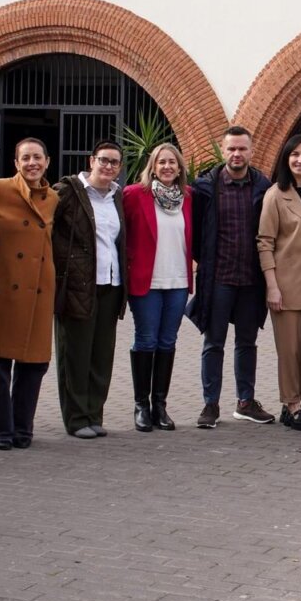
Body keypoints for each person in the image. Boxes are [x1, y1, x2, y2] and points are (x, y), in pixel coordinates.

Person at [186, 126, 274, 427]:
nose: (237, 154)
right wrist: (206, 262)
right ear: (223, 151)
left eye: (242, 149)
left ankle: (245, 401)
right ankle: (210, 404)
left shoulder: (263, 187)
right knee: (214, 343)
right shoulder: (204, 188)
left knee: (247, 343)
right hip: (218, 279)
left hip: (251, 280)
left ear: (251, 151)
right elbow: (196, 235)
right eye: (232, 149)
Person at [0, 137, 58, 450]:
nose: (32, 163)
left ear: (47, 162)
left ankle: (22, 427)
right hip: (5, 288)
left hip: (39, 291)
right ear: (16, 163)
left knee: (34, 364)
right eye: (25, 158)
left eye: (37, 157)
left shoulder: (53, 198)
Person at [53, 141, 128, 439]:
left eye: (114, 162)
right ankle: (76, 418)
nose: (108, 166)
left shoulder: (118, 197)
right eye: (103, 160)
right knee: (75, 353)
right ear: (91, 160)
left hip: (111, 284)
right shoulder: (68, 191)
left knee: (101, 354)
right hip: (78, 285)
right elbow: (49, 230)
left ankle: (94, 414)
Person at [258, 134, 301, 432]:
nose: (300, 160)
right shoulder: (275, 195)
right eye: (295, 155)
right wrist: (272, 286)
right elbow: (265, 242)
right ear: (286, 159)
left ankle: (295, 401)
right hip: (286, 285)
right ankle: (292, 405)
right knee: (290, 351)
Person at [123, 143, 193, 433]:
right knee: (146, 340)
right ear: (152, 166)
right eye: (162, 162)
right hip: (147, 281)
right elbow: (122, 234)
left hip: (178, 281)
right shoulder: (134, 195)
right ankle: (141, 405)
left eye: (172, 162)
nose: (167, 167)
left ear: (179, 168)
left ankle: (160, 406)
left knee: (167, 342)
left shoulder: (188, 197)